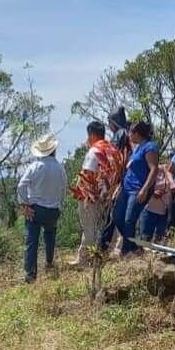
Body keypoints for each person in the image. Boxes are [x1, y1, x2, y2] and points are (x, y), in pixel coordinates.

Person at [18, 134, 68, 283]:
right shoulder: (60, 168)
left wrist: (24, 204)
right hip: (53, 210)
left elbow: (21, 186)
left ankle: (30, 274)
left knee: (32, 239)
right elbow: (63, 189)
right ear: (54, 150)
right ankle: (49, 262)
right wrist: (58, 204)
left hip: (36, 208)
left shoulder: (35, 166)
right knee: (50, 234)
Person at [72, 121, 117, 266]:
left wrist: (80, 192)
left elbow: (87, 173)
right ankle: (85, 257)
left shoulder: (95, 150)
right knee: (98, 227)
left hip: (90, 195)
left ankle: (87, 260)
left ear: (91, 135)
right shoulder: (112, 149)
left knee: (89, 228)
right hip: (107, 196)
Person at [112, 121, 159, 257]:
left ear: (137, 134)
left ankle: (127, 251)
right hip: (126, 189)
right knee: (117, 216)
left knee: (129, 219)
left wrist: (144, 189)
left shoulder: (150, 147)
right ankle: (134, 246)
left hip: (138, 189)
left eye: (131, 132)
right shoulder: (137, 148)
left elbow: (154, 169)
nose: (129, 134)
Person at [140, 162, 174, 243]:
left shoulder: (172, 175)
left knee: (159, 241)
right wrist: (153, 192)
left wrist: (169, 213)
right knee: (145, 239)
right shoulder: (154, 170)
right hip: (149, 210)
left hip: (163, 213)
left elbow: (171, 193)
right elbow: (143, 186)